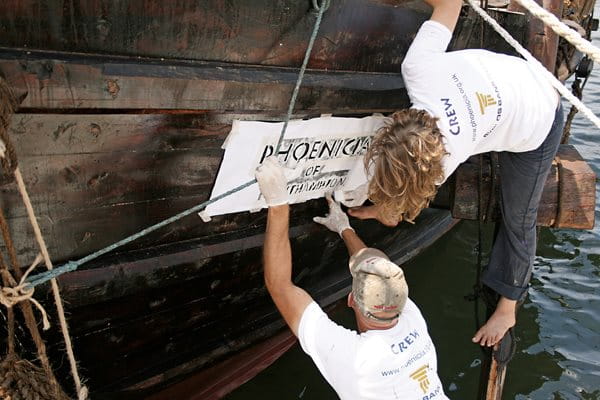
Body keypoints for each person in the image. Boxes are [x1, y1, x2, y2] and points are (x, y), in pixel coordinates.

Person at [345, 0, 564, 348]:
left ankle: (508, 308)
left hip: (539, 118)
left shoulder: (448, 158)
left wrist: (378, 211)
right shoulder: (418, 70)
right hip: (515, 80)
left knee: (519, 218)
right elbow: (449, 3)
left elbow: (399, 212)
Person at [255, 156, 449, 400]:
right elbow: (374, 268)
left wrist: (278, 204)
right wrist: (344, 228)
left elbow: (280, 286)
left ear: (351, 300)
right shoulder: (411, 321)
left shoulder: (355, 358)